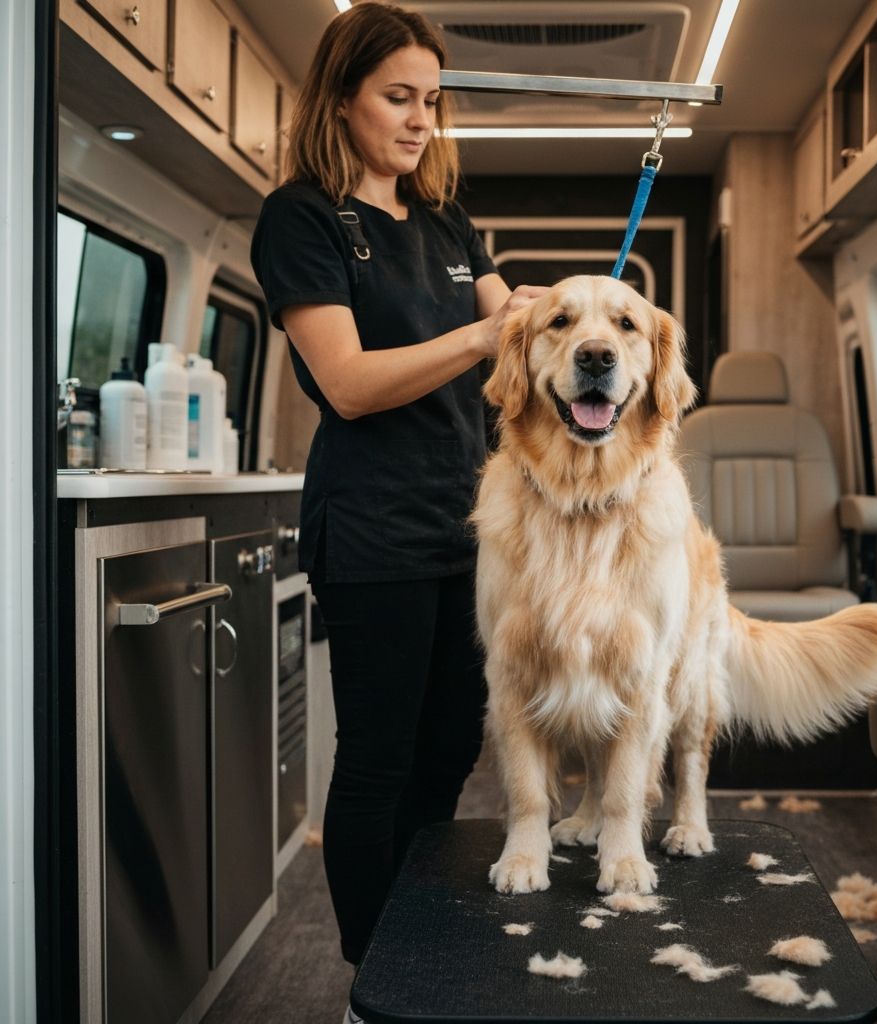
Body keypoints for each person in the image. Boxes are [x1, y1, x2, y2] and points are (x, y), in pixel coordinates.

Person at [250, 3, 545, 1018]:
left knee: (452, 743)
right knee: (378, 750)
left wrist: (563, 322)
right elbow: (348, 383)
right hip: (371, 524)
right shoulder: (302, 218)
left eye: (431, 99)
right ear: (343, 99)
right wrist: (482, 338)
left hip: (467, 526)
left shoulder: (449, 222)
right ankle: (371, 977)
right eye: (398, 98)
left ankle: (417, 939)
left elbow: (513, 343)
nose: (421, 120)